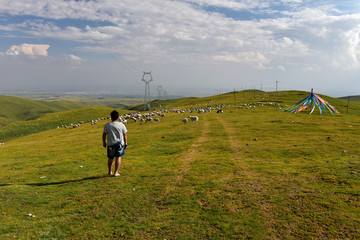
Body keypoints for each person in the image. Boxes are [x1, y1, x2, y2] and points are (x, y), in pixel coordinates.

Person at [102, 110, 128, 177]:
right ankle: (116, 172)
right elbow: (125, 134)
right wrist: (126, 142)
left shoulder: (107, 125)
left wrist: (104, 142)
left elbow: (104, 134)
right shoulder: (121, 124)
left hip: (110, 144)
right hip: (119, 143)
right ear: (118, 117)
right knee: (118, 157)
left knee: (110, 158)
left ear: (111, 117)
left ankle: (110, 171)